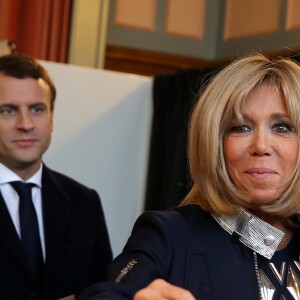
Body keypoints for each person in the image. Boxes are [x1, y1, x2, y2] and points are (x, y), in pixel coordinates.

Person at [78, 53, 300, 300]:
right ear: (213, 143)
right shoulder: (169, 235)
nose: (261, 145)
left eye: (282, 127)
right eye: (240, 127)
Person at [0, 53, 113, 300]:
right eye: (8, 110)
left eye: (37, 109)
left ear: (51, 118)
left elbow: (104, 292)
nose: (26, 123)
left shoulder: (84, 203)